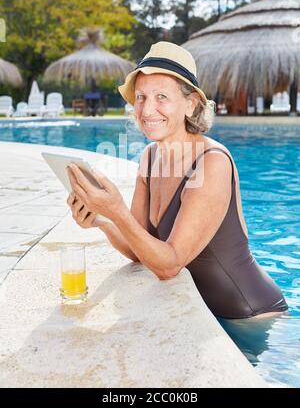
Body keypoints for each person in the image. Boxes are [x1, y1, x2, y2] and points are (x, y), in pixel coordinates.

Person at [66, 41, 288, 320]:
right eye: (141, 97)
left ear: (190, 104)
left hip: (252, 317)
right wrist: (102, 220)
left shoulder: (211, 162)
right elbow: (140, 250)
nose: (147, 110)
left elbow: (169, 265)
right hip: (210, 316)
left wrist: (117, 210)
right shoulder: (149, 157)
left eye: (161, 97)